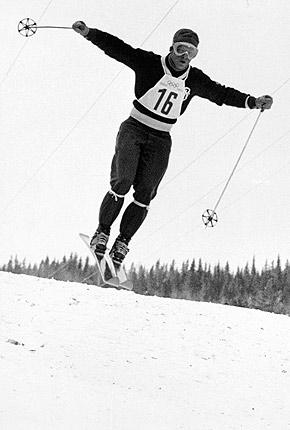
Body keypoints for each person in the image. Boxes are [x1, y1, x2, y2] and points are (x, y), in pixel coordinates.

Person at [72, 21, 273, 266]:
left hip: (161, 138)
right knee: (122, 181)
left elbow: (221, 94)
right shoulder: (149, 63)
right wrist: (89, 33)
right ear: (171, 48)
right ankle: (102, 232)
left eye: (191, 52)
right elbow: (119, 49)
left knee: (146, 193)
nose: (184, 56)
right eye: (180, 49)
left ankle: (123, 241)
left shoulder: (195, 79)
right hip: (134, 129)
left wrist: (252, 101)